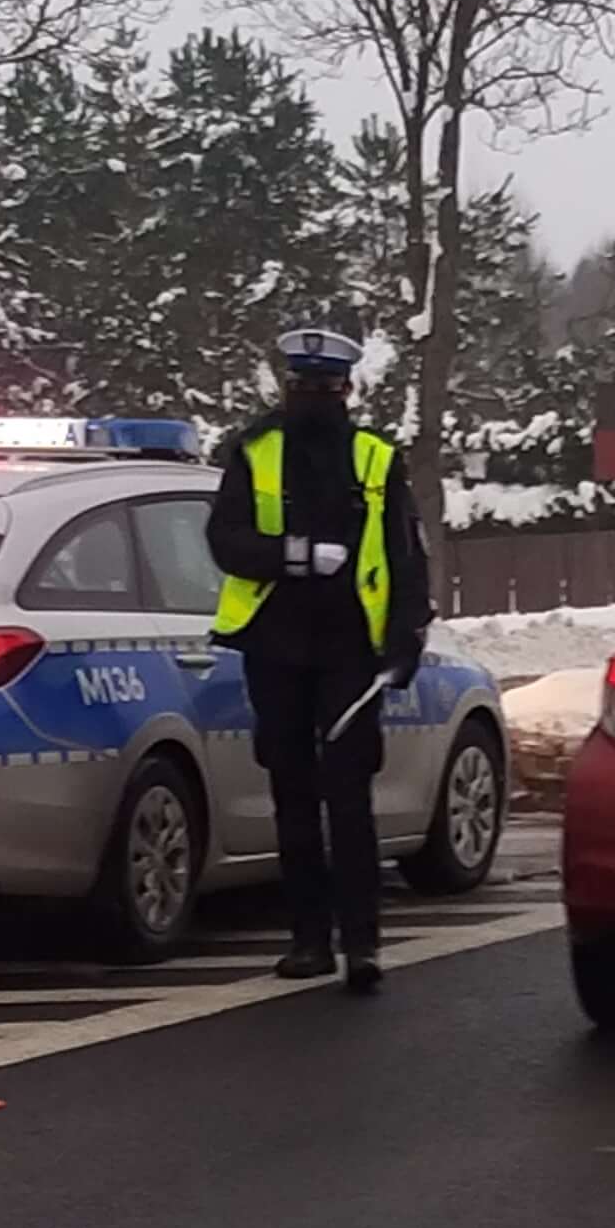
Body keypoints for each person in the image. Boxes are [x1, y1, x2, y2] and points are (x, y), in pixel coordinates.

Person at [205, 325, 433, 991]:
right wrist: (294, 556)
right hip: (275, 646)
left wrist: (404, 644)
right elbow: (225, 540)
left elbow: (405, 558)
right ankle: (309, 939)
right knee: (292, 793)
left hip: (349, 653)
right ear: (287, 388)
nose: (313, 397)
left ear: (347, 391)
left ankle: (362, 943)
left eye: (325, 388)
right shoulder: (254, 454)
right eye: (302, 387)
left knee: (349, 793)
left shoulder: (375, 459)